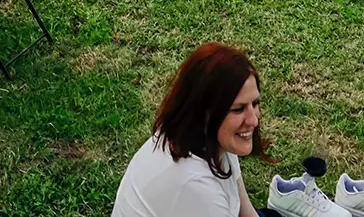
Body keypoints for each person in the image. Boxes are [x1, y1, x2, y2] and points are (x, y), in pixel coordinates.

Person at [112, 43, 269, 217]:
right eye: (238, 109)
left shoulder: (208, 135)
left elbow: (244, 208)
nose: (253, 120)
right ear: (205, 112)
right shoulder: (196, 187)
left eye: (254, 103)